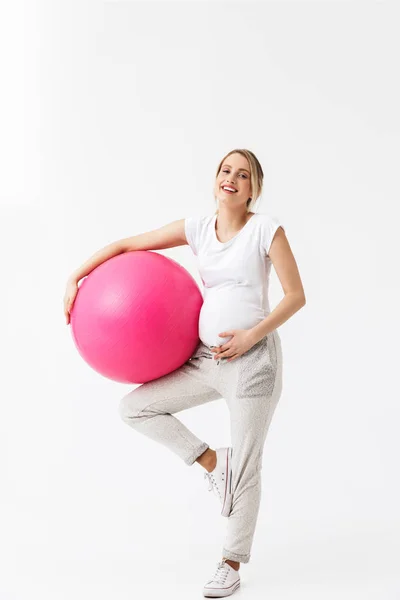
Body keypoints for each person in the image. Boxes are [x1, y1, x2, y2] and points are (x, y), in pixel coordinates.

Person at [63, 148, 306, 597]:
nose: (231, 178)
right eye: (225, 170)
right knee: (135, 408)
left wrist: (251, 337)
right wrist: (76, 276)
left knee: (248, 467)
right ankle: (215, 462)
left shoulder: (266, 230)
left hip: (253, 363)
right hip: (205, 359)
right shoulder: (198, 228)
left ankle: (230, 564)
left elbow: (295, 296)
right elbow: (126, 245)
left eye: (243, 174)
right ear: (216, 179)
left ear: (254, 189)